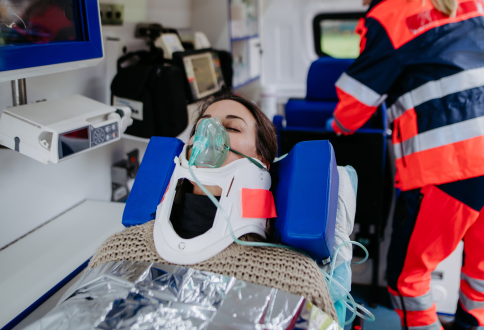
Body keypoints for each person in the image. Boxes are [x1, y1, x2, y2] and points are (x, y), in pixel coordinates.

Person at [326, 0, 484, 330]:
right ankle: (472, 325)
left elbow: (356, 104)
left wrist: (338, 126)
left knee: (407, 276)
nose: (363, 0)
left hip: (455, 162)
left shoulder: (387, 16)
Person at [90, 91, 337, 320]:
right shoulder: (119, 250)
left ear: (261, 161)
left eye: (231, 127)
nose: (210, 133)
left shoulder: (293, 275)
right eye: (200, 127)